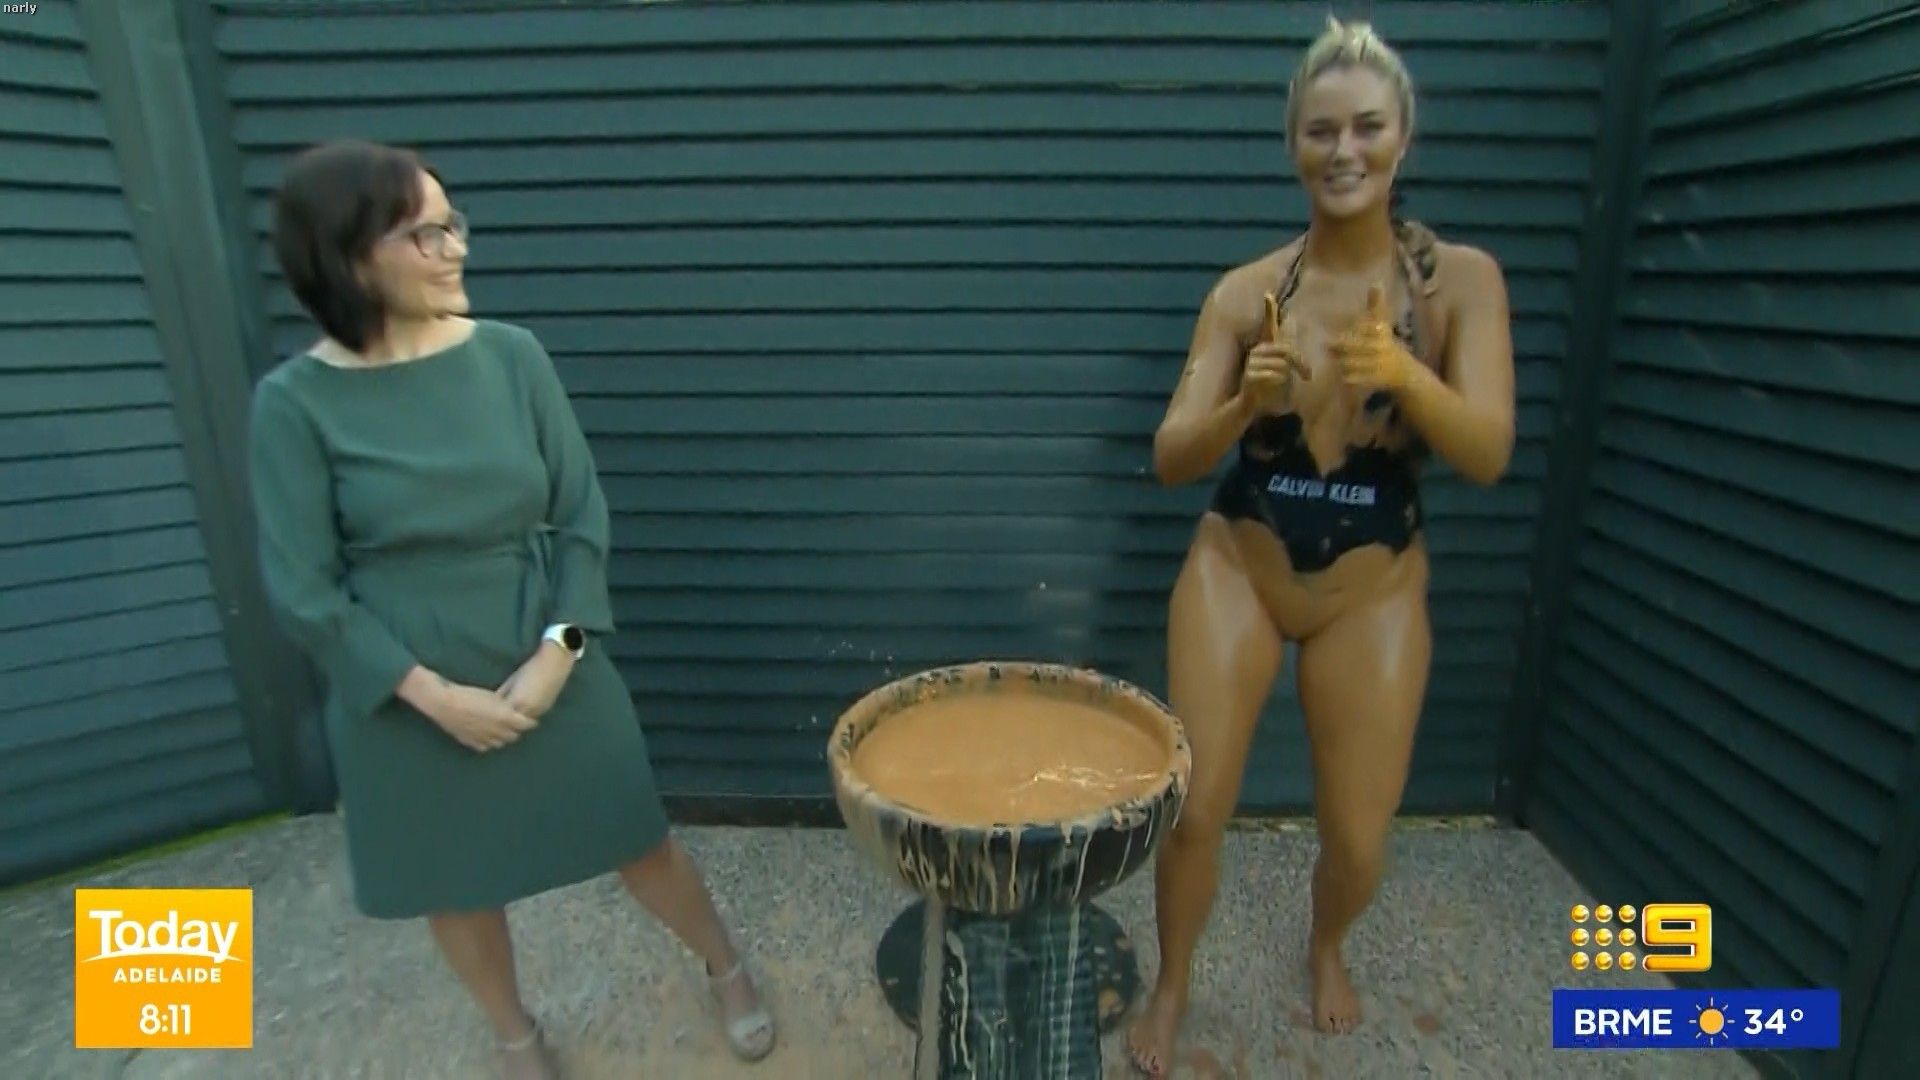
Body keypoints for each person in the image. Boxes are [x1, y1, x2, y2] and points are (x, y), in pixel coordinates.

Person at [248, 139, 777, 1078]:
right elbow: (305, 588)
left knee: (639, 840)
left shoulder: (511, 356)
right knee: (456, 885)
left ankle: (726, 967)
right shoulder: (293, 405)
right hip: (402, 695)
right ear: (349, 257)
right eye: (426, 234)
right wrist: (431, 696)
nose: (455, 247)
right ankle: (514, 1035)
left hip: (548, 647)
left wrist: (558, 652)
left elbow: (579, 516)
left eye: (453, 224)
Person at [1127, 18, 1515, 1075]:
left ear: (1403, 139)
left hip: (1372, 588)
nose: (1345, 151)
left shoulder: (1459, 285)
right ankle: (1172, 984)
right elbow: (1169, 456)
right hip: (1240, 564)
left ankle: (1328, 943)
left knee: (1357, 836)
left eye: (1368, 128)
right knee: (1196, 806)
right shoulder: (1246, 293)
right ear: (1293, 144)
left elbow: (1488, 452)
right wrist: (1238, 407)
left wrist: (1405, 373)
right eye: (1322, 131)